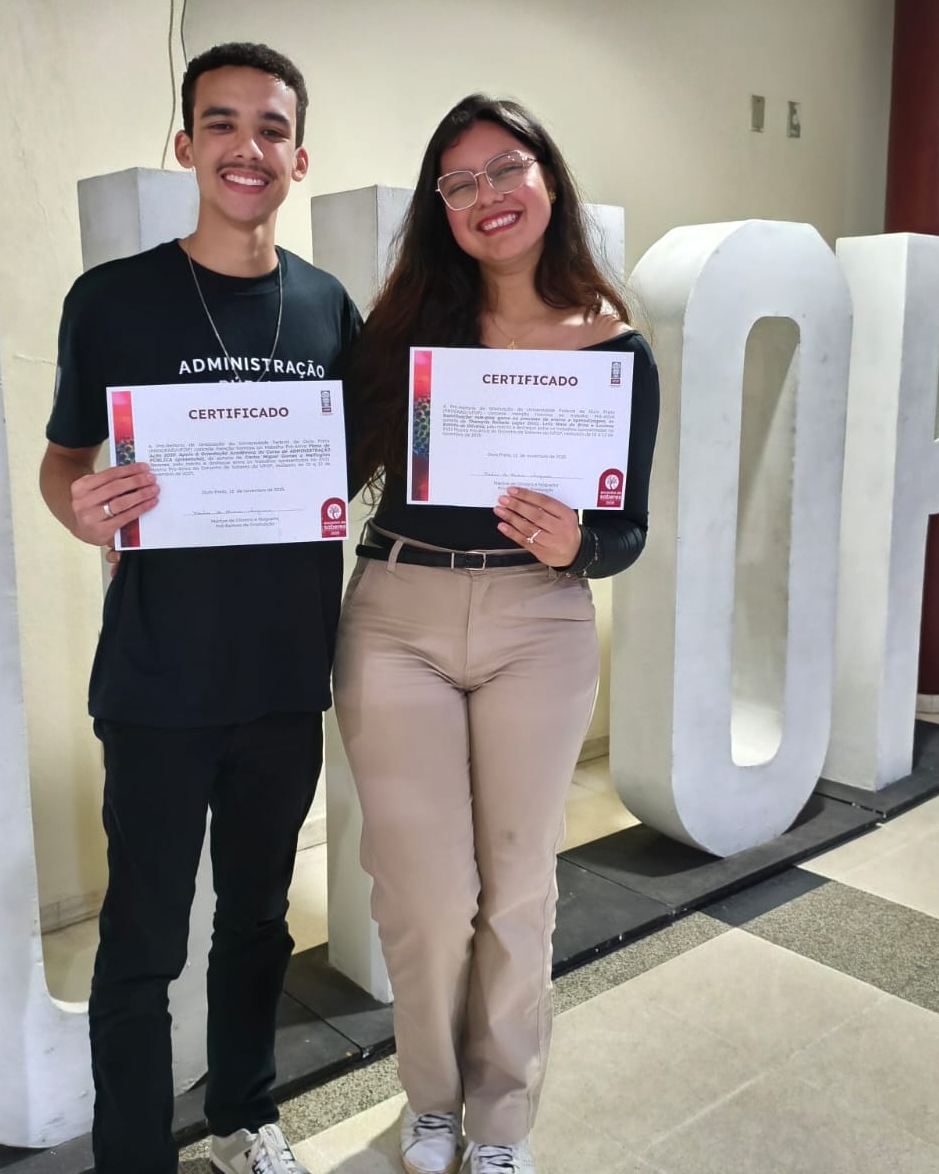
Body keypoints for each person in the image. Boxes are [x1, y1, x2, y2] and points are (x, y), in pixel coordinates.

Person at [40, 41, 358, 1174]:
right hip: (158, 685)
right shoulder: (114, 300)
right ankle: (134, 1158)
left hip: (283, 682)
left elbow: (359, 463)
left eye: (269, 128)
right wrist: (80, 509)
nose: (245, 147)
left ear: (298, 157)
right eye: (220, 124)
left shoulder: (327, 307)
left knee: (259, 922)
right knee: (142, 942)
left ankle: (242, 1116)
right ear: (186, 147)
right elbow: (62, 460)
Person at [335, 95, 660, 1174]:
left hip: (538, 622)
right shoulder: (405, 330)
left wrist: (582, 543)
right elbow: (324, 477)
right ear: (440, 205)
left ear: (548, 180)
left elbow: (628, 532)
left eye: (504, 170)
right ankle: (430, 1101)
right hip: (400, 618)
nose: (486, 197)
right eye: (460, 181)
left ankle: (502, 1119)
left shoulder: (614, 350)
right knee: (425, 895)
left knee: (519, 887)